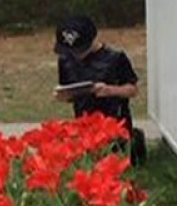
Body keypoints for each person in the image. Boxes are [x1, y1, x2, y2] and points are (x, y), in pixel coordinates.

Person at [53, 15, 146, 164]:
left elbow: (132, 90)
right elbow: (68, 90)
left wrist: (110, 90)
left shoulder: (115, 58)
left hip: (114, 123)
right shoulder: (66, 60)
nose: (76, 55)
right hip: (84, 124)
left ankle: (134, 140)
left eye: (79, 50)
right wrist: (64, 96)